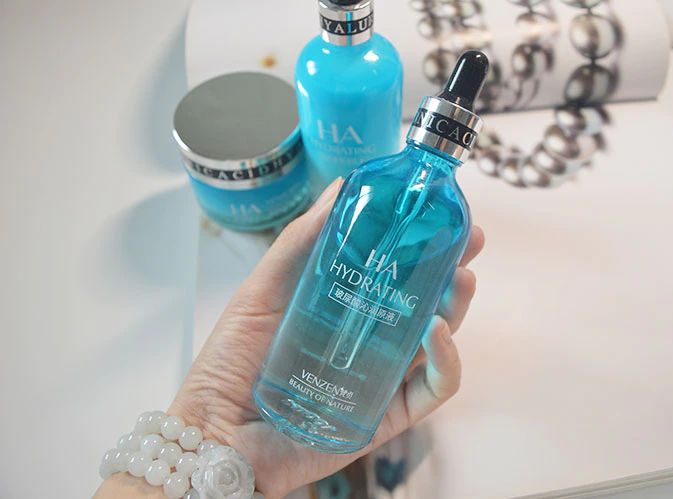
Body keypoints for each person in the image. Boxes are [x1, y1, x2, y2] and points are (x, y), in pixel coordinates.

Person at [94, 179, 484, 499]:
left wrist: (219, 451)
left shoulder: (450, 212)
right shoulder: (377, 182)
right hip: (275, 394)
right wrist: (211, 425)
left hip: (338, 422)